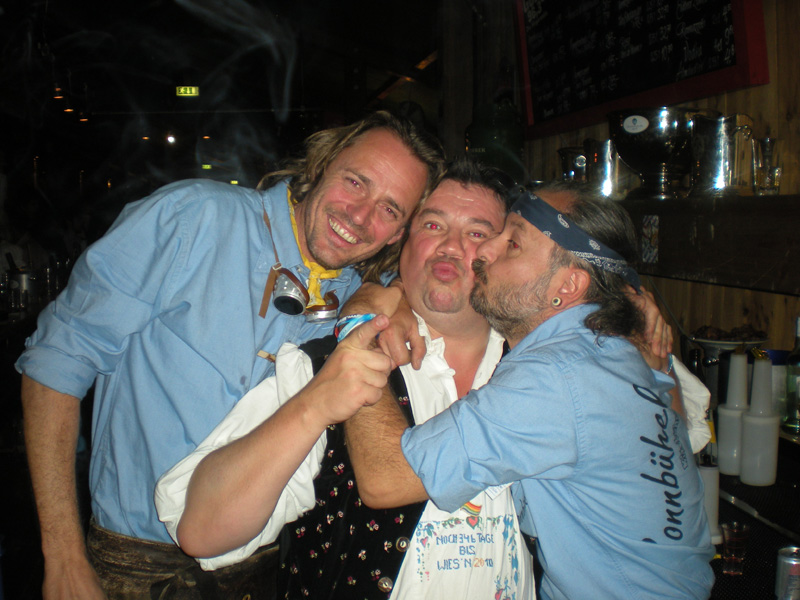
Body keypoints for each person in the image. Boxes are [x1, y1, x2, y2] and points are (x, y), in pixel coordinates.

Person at [155, 174, 710, 599]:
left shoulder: (557, 362)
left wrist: (645, 328)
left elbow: (679, 426)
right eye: (432, 225)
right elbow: (201, 532)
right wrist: (321, 393)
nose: (461, 248)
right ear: (403, 248)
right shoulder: (324, 365)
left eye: (485, 235)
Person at [16, 110, 445, 600]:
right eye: (355, 182)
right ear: (323, 163)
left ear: (398, 234)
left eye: (390, 210)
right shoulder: (194, 218)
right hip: (135, 568)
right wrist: (63, 556)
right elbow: (55, 364)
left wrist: (395, 294)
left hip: (266, 574)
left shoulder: (355, 296)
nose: (360, 216)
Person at [347, 183, 716, 599]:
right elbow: (675, 431)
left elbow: (385, 480)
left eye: (513, 244)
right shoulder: (620, 353)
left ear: (568, 286)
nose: (485, 249)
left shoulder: (557, 377)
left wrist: (360, 327)